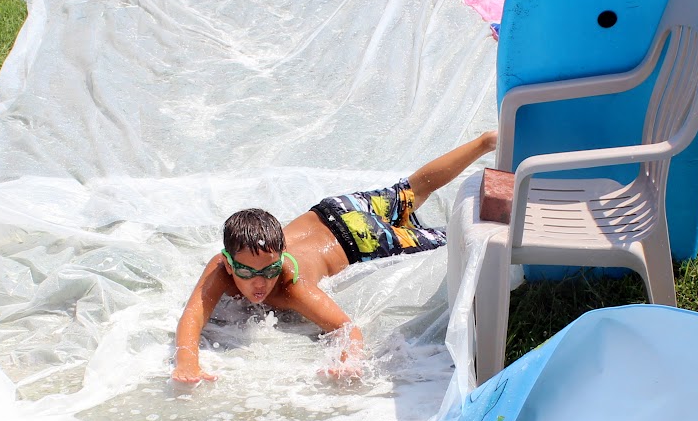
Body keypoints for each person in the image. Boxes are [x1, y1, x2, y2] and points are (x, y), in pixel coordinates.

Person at [172, 132, 498, 382]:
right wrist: (188, 362)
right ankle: (487, 142)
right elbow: (192, 317)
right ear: (228, 263)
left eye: (270, 270)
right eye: (248, 273)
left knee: (454, 235)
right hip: (337, 208)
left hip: (364, 238)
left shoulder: (291, 284)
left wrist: (349, 360)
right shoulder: (220, 267)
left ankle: (497, 163)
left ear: (281, 258)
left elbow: (345, 329)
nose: (261, 284)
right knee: (411, 189)